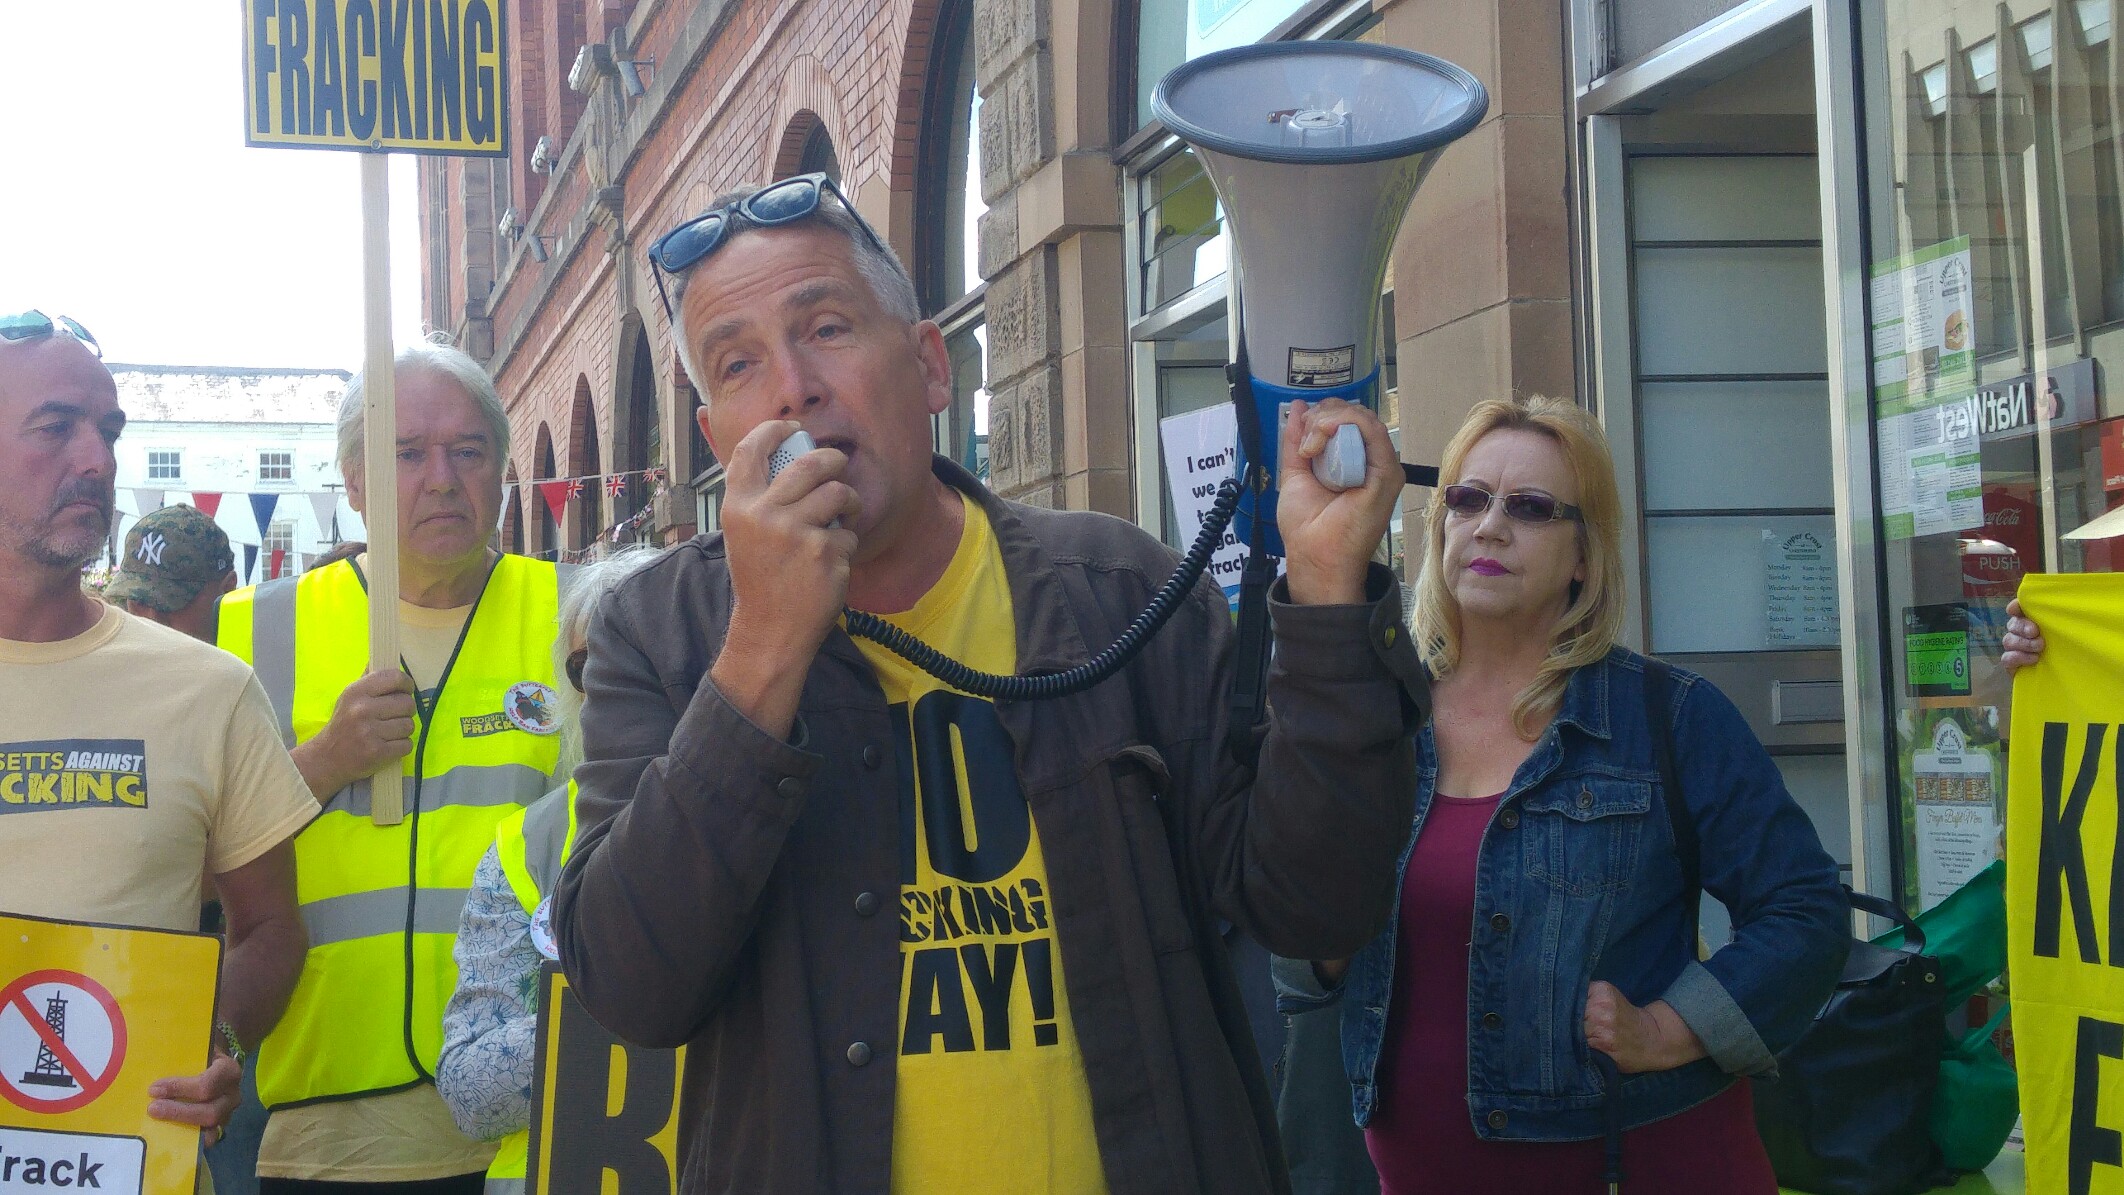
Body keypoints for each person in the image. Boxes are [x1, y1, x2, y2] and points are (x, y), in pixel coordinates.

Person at [550, 173, 1429, 1193]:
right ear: (717, 442)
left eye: (826, 327)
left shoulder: (1120, 587)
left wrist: (1327, 600)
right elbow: (631, 986)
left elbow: (1318, 907)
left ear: (931, 367)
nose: (792, 387)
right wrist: (761, 651)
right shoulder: (658, 631)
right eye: (737, 363)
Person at [1277, 397, 1850, 1195]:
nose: (1490, 527)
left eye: (1531, 507)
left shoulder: (1667, 717)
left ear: (1584, 553)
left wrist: (1671, 1028)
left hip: (1644, 1166)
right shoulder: (1381, 717)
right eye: (1469, 499)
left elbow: (1806, 911)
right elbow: (1297, 962)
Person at [217, 344, 576, 1194]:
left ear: (503, 470)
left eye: (467, 450)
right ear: (354, 480)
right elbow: (189, 866)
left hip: (538, 1112)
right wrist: (322, 762)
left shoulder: (581, 611)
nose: (441, 479)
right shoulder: (259, 629)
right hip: (328, 1121)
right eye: (407, 453)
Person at [0, 311, 315, 1180]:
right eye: (56, 427)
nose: (97, 459)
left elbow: (271, 927)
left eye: (108, 431)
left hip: (138, 1162)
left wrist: (217, 1043)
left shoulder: (209, 689)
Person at [435, 546, 660, 1195]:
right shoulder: (529, 843)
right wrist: (655, 1003)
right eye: (591, 666)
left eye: (647, 657)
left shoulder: (775, 809)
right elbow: (470, 1093)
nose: (614, 687)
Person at [104, 504, 240, 643]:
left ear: (227, 590)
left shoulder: (251, 652)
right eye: (139, 602)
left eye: (170, 602)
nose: (153, 620)